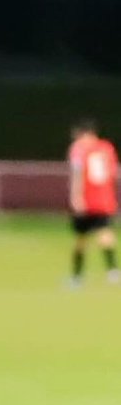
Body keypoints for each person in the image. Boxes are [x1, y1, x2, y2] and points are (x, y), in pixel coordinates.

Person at [67, 120, 119, 287]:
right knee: (105, 233)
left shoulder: (79, 150)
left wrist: (76, 196)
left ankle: (77, 276)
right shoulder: (107, 148)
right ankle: (113, 271)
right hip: (106, 200)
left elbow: (78, 173)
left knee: (81, 238)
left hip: (87, 200)